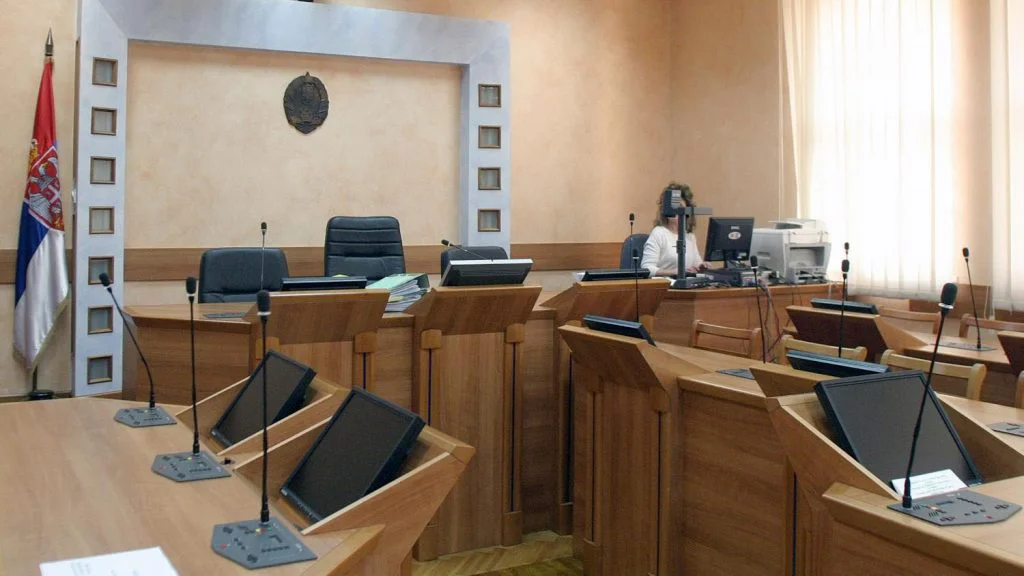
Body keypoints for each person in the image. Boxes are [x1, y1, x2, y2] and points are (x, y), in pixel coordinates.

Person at [641, 183, 705, 277]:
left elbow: (696, 262)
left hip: (687, 282)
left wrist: (702, 266)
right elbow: (647, 268)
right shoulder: (658, 233)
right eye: (673, 206)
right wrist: (674, 272)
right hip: (666, 283)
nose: (676, 210)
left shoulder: (690, 236)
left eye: (680, 206)